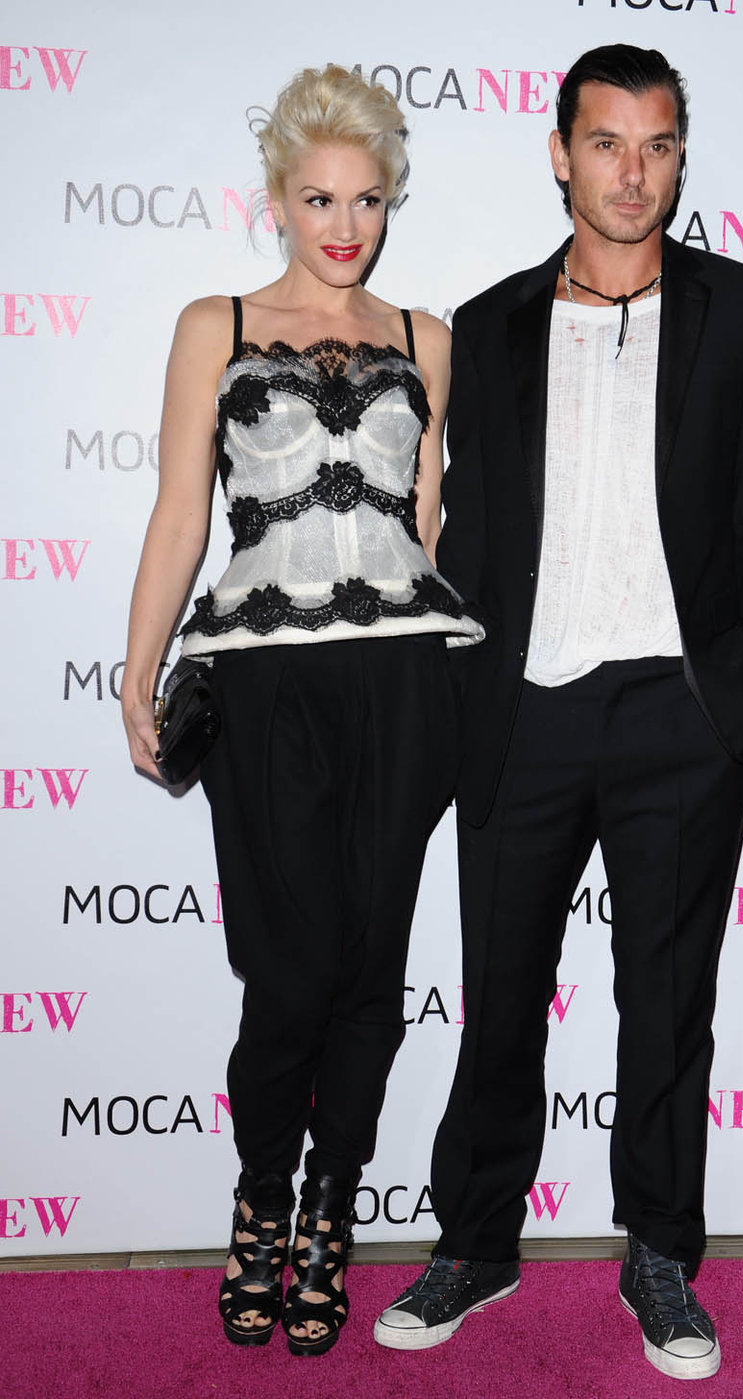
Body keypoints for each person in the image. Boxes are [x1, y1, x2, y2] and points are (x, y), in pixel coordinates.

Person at [374, 44, 743, 1380]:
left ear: (680, 158)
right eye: (608, 143)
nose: (634, 172)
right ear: (560, 153)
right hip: (526, 711)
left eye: (658, 145)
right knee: (500, 994)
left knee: (668, 1005)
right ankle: (476, 1242)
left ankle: (659, 1252)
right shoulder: (491, 323)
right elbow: (463, 533)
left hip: (682, 714)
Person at [120, 65, 481, 1356]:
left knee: (371, 970)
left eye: (367, 199)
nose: (345, 224)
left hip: (404, 680)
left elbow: (425, 520)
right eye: (320, 198)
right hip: (265, 682)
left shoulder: (427, 338)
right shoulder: (212, 326)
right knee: (287, 969)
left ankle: (333, 1207)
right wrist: (136, 666)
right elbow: (182, 513)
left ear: (391, 202)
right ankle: (261, 1200)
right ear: (277, 197)